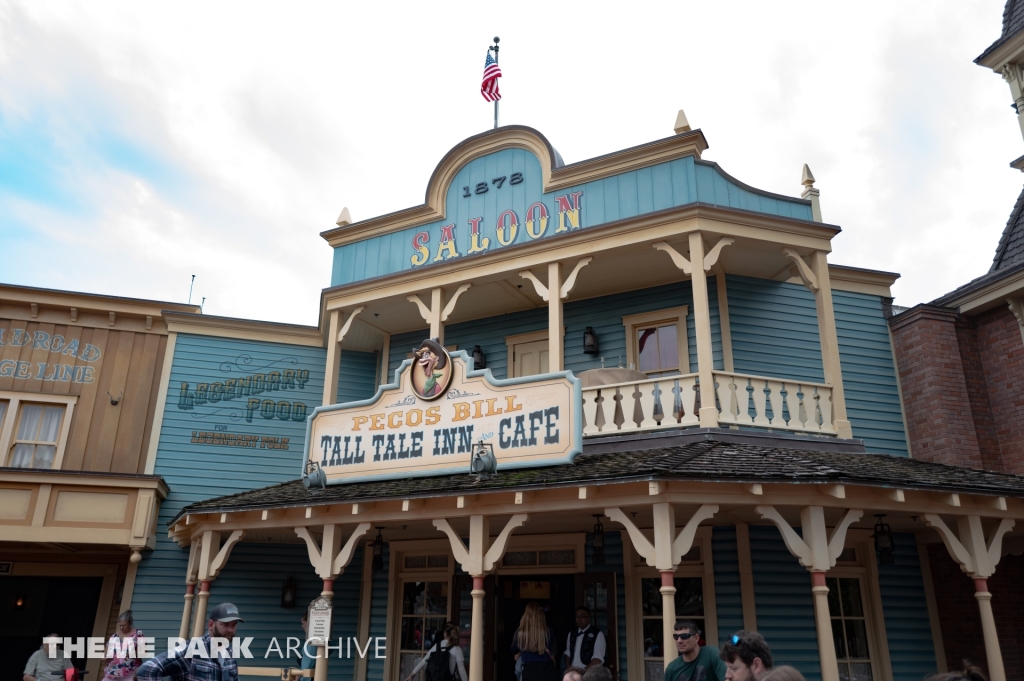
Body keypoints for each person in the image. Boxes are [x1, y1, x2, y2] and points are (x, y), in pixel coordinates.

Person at [136, 603, 245, 681]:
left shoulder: (229, 653)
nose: (230, 630)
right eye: (225, 625)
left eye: (234, 625)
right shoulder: (192, 649)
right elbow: (146, 670)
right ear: (211, 625)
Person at [511, 602, 557, 681]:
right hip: (547, 670)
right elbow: (552, 655)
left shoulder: (520, 633)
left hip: (529, 672)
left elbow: (513, 650)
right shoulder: (549, 631)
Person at [103, 611, 146, 681]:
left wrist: (132, 654)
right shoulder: (114, 636)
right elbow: (105, 654)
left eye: (124, 625)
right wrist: (105, 658)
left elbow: (143, 652)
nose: (121, 628)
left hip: (130, 672)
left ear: (129, 623)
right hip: (112, 672)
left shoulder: (138, 634)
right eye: (120, 625)